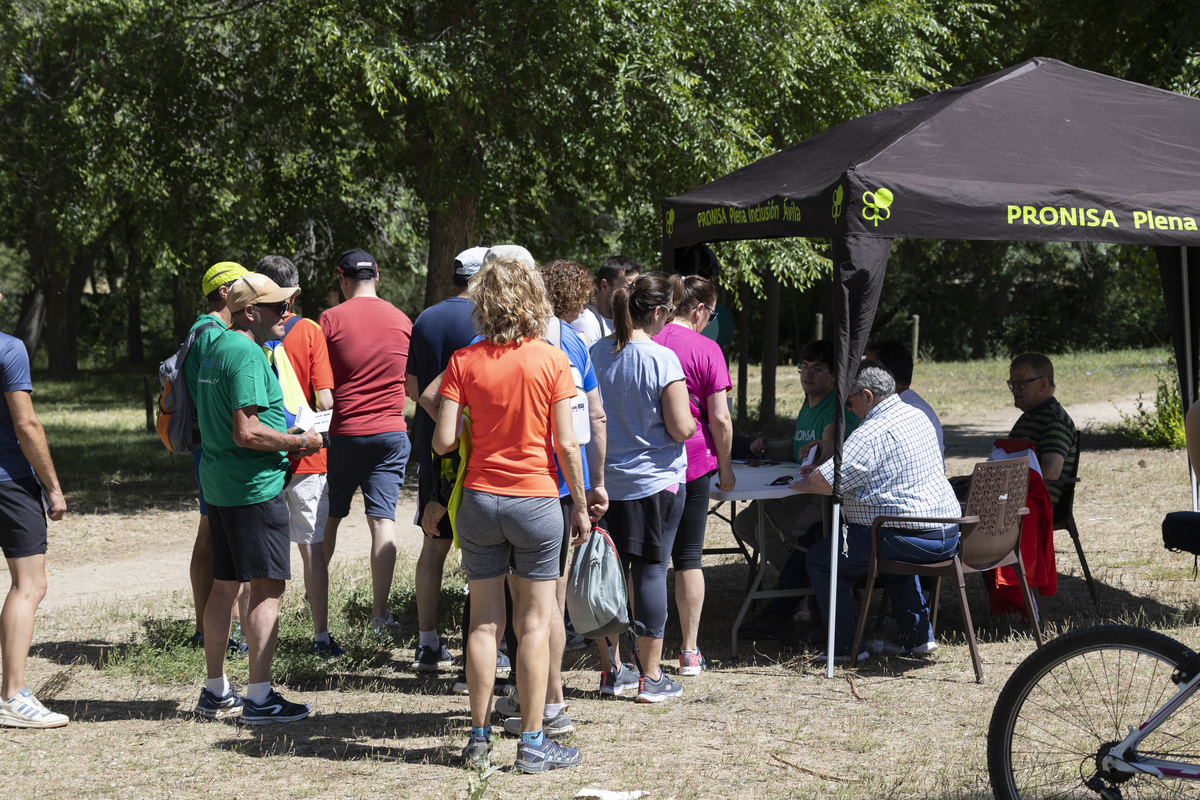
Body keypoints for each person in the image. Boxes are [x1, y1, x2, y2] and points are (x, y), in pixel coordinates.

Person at [433, 256, 590, 772]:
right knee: (534, 626)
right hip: (538, 501)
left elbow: (443, 440)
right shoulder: (551, 360)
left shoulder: (463, 361)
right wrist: (582, 505)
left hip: (479, 499)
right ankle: (531, 743)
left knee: (484, 625)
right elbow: (567, 443)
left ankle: (477, 740)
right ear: (533, 301)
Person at [192, 273, 320, 723]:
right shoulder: (246, 353)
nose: (287, 313)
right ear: (251, 312)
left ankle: (214, 690)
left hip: (222, 485)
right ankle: (259, 698)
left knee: (225, 587)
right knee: (268, 588)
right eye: (279, 307)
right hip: (252, 489)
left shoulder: (216, 347)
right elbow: (246, 431)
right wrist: (301, 442)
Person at [494, 258, 609, 736]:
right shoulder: (570, 343)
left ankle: (533, 696)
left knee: (517, 603)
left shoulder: (483, 346)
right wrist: (594, 483)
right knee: (548, 603)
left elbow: (434, 399)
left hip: (497, 486)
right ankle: (549, 700)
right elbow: (593, 419)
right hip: (556, 486)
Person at [796, 361, 960, 662]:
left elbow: (822, 483)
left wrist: (802, 481)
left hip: (908, 534)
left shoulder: (870, 432)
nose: (849, 406)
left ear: (868, 396)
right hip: (947, 533)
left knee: (821, 559)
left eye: (850, 399)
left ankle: (845, 647)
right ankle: (918, 636)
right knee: (886, 553)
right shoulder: (916, 414)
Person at [589, 273, 695, 702]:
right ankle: (651, 678)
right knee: (650, 573)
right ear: (655, 313)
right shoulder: (661, 359)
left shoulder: (594, 352)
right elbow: (681, 425)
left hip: (604, 486)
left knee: (607, 578)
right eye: (667, 312)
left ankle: (614, 672)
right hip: (655, 484)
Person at [319, 249, 414, 644]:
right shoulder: (403, 320)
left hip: (344, 431)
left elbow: (318, 382)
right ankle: (379, 614)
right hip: (392, 433)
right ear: (378, 276)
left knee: (330, 518)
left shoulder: (329, 319)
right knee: (383, 521)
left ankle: (316, 602)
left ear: (342, 279)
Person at [405, 246, 486, 676]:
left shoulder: (425, 318)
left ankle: (427, 641)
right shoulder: (489, 320)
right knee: (485, 553)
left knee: (433, 543)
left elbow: (413, 387)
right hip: (479, 450)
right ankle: (482, 646)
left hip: (435, 448)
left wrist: (442, 429)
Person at [254, 255, 340, 657]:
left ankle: (246, 637)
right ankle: (320, 635)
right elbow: (325, 397)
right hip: (306, 457)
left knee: (254, 549)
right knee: (312, 548)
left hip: (262, 456)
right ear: (294, 292)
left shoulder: (245, 330)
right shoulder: (308, 331)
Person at [652, 275, 734, 676]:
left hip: (646, 464)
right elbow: (719, 417)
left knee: (648, 560)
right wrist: (728, 465)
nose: (710, 321)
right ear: (699, 309)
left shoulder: (648, 338)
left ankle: (642, 649)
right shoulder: (707, 348)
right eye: (711, 313)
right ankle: (688, 650)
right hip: (694, 461)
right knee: (688, 557)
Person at [733, 340, 859, 601]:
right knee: (743, 524)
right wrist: (767, 449)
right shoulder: (808, 404)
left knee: (765, 532)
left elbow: (829, 442)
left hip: (825, 496)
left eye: (818, 369)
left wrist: (825, 446)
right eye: (804, 367)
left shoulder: (835, 409)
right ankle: (802, 582)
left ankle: (810, 590)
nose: (808, 374)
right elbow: (797, 451)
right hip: (798, 488)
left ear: (835, 376)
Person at [0, 307, 68, 728]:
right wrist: (53, 486)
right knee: (29, 585)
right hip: (10, 480)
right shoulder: (9, 348)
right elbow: (26, 424)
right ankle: (12, 696)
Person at [186, 262, 251, 654]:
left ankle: (205, 628)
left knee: (211, 535)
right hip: (215, 448)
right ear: (225, 292)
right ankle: (217, 630)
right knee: (217, 538)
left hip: (209, 446)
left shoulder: (202, 329)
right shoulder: (212, 335)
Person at [1007, 353, 1078, 505]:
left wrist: (999, 476)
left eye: (1019, 384)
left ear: (1042, 385)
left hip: (1034, 502)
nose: (1014, 390)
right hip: (1012, 497)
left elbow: (1050, 472)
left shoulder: (1055, 420)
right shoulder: (1029, 417)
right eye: (1012, 384)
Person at [866, 338, 943, 458]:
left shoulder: (905, 412)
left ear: (886, 376)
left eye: (867, 369)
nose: (861, 375)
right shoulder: (911, 406)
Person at [568, 256, 640, 345]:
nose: (633, 294)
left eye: (635, 289)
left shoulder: (628, 321)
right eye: (628, 288)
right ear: (605, 286)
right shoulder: (587, 322)